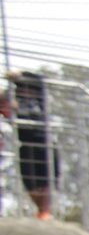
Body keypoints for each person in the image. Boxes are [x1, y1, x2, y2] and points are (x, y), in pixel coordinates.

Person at [7, 71, 58, 220]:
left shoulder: (40, 99)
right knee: (29, 181)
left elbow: (41, 79)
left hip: (44, 142)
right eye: (21, 89)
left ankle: (45, 212)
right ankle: (41, 210)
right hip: (26, 143)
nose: (25, 91)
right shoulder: (15, 101)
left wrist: (20, 74)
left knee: (47, 180)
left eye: (27, 88)